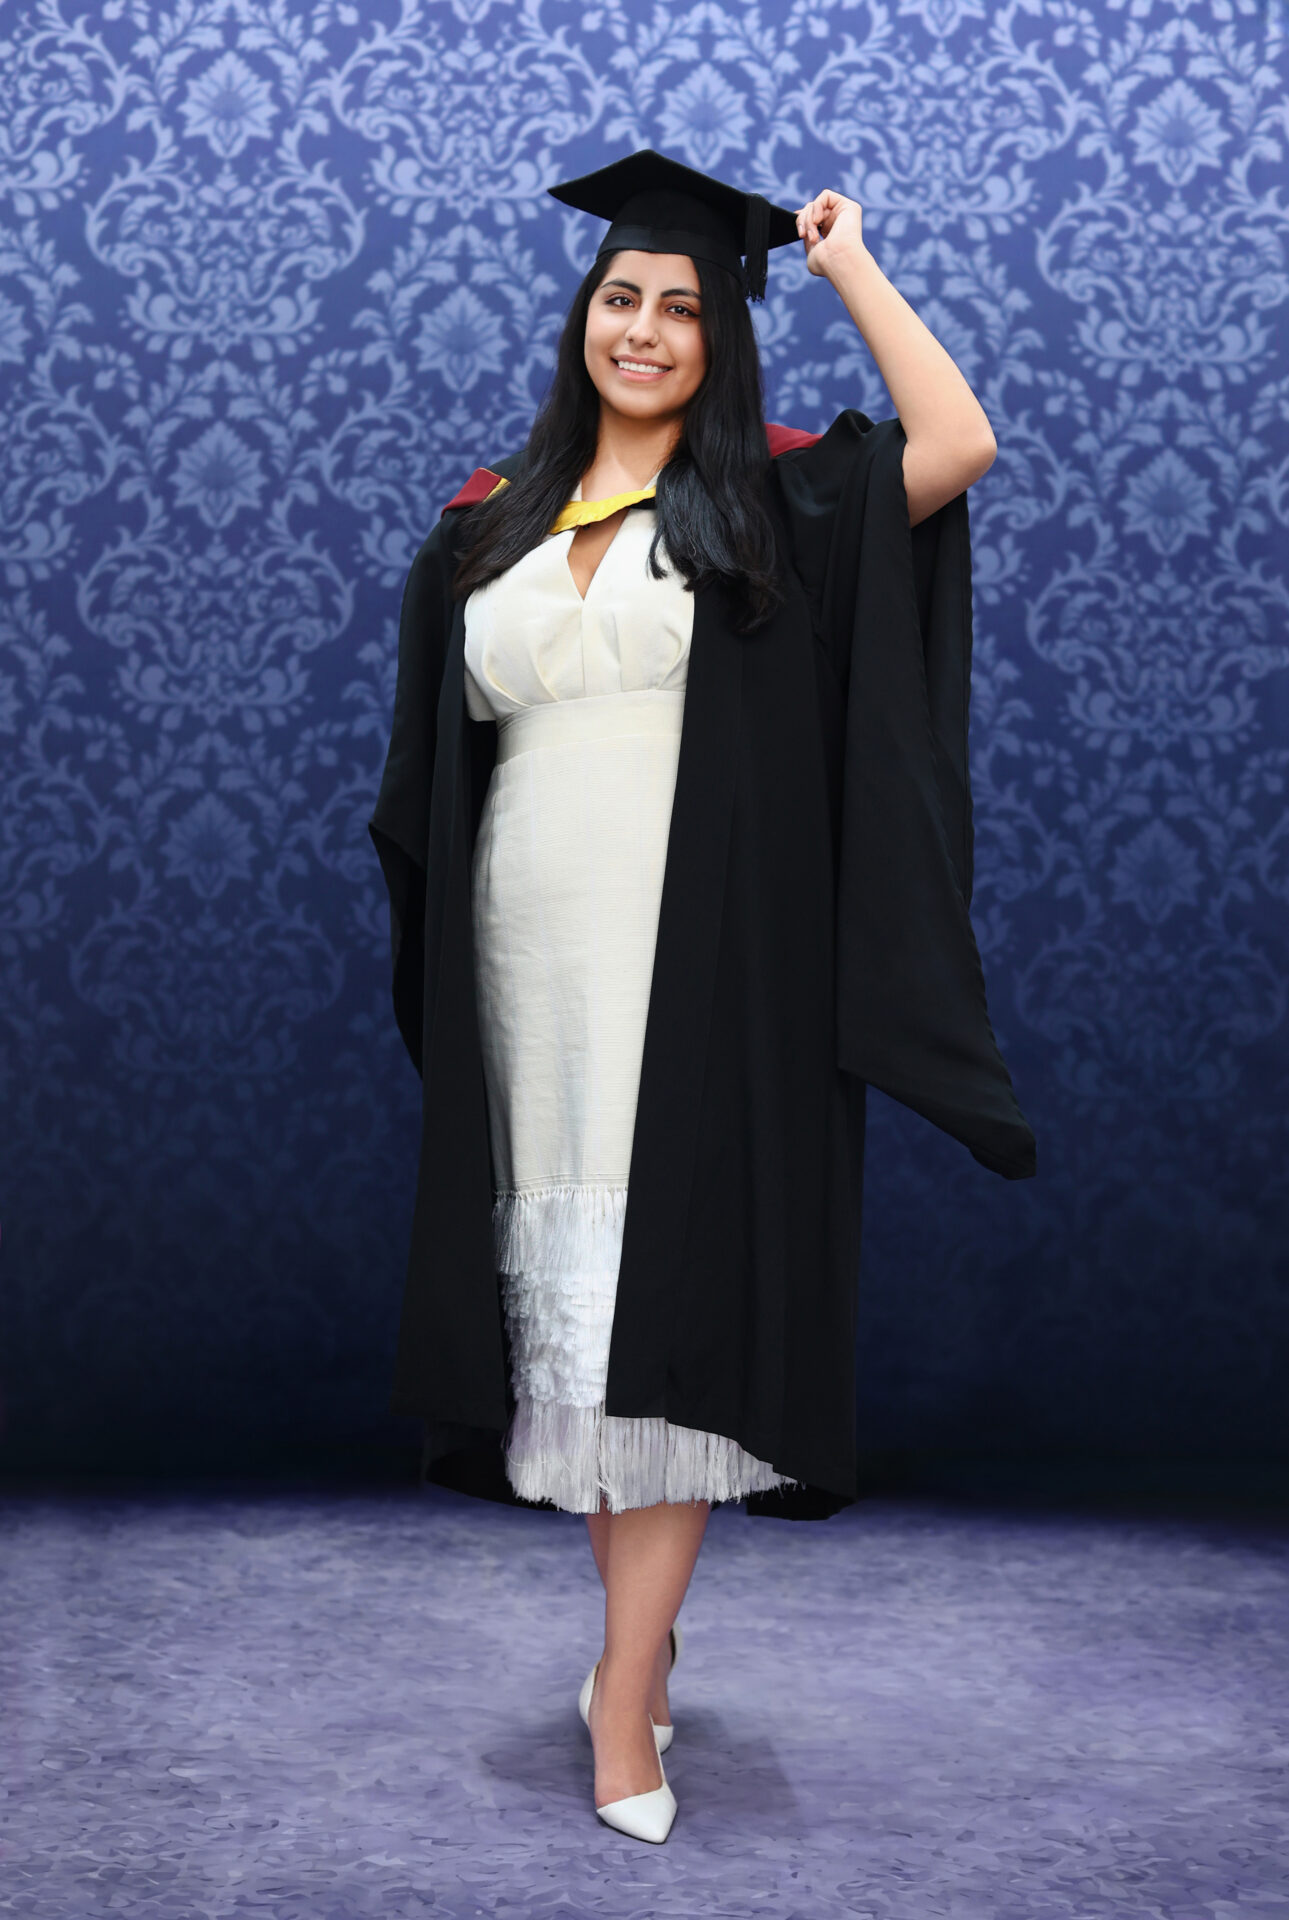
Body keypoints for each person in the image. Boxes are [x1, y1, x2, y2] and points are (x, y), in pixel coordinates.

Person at [369, 149, 1037, 1843]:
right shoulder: (491, 516)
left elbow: (954, 446)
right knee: (582, 1329)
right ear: (580, 320)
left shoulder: (780, 505)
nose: (646, 330)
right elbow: (430, 773)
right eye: (621, 300)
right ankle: (636, 1645)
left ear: (719, 339)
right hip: (526, 971)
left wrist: (849, 272)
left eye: (680, 306)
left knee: (672, 1317)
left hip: (702, 967)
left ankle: (620, 1693)